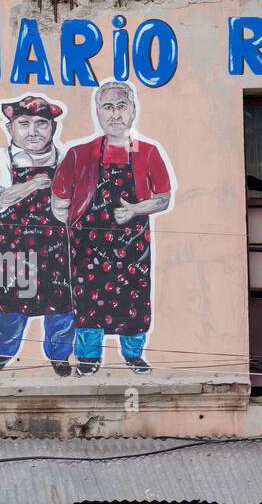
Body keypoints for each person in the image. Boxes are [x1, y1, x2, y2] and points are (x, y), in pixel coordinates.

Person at [51, 79, 175, 376]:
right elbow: (58, 200)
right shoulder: (79, 154)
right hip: (87, 248)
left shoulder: (148, 152)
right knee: (88, 301)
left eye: (122, 106)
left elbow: (163, 199)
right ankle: (88, 359)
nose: (115, 114)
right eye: (108, 107)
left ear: (133, 111)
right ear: (98, 112)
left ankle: (133, 355)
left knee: (134, 299)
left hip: (133, 246)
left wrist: (134, 209)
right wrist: (73, 226)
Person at [0, 95, 75, 376]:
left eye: (42, 123)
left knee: (62, 309)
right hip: (14, 250)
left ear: (53, 128)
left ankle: (60, 356)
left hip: (58, 249)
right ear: (10, 128)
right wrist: (31, 185)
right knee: (8, 308)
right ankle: (1, 354)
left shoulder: (67, 159)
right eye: (24, 123)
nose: (33, 131)